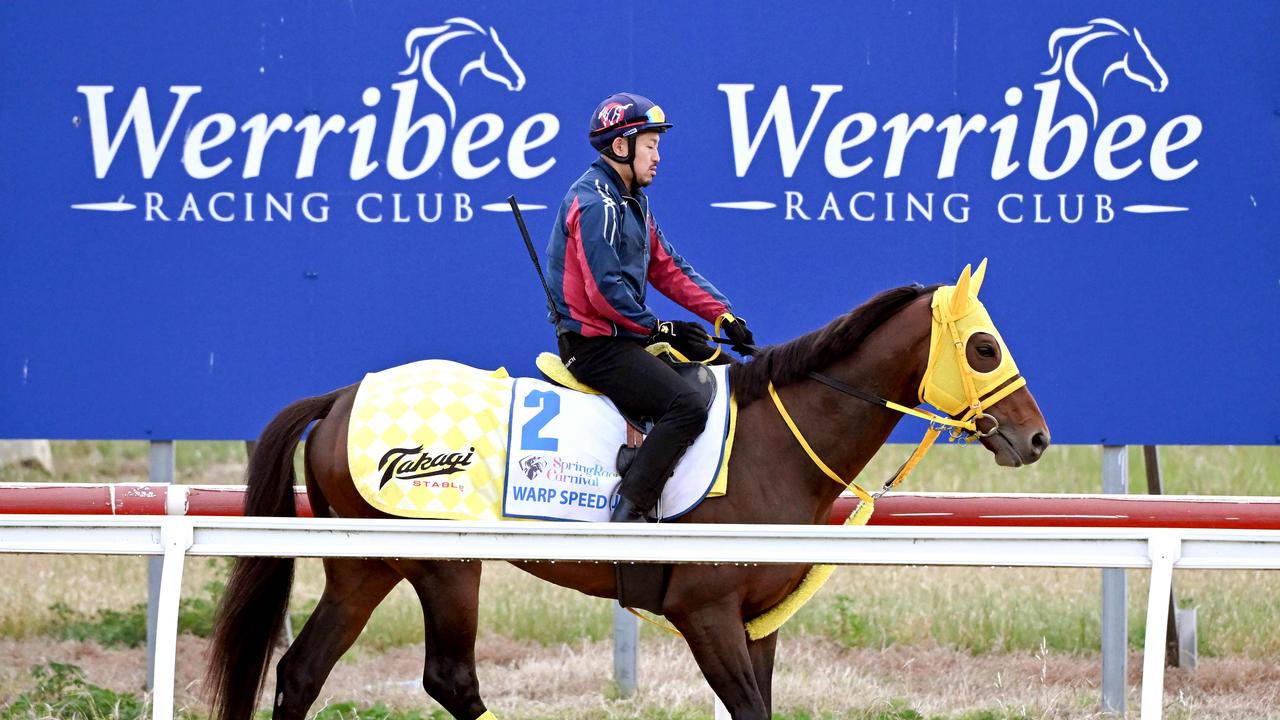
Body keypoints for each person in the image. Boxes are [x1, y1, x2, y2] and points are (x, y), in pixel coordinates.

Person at [544, 92, 754, 523]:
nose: (658, 156)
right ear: (621, 146)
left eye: (659, 145)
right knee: (688, 406)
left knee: (725, 368)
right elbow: (604, 290)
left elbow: (668, 267)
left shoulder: (633, 199)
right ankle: (630, 510)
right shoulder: (595, 202)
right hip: (594, 348)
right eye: (651, 144)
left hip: (625, 338)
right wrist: (659, 330)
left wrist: (722, 314)